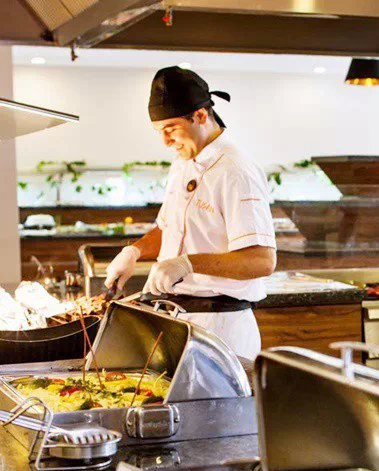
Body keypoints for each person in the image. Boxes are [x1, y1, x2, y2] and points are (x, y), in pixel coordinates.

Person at [104, 66, 276, 359]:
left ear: (200, 115)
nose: (165, 141)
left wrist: (187, 264)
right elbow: (170, 228)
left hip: (221, 327)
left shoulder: (235, 170)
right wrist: (133, 252)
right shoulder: (182, 164)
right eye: (159, 131)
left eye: (171, 128)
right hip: (180, 321)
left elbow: (261, 261)